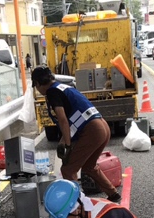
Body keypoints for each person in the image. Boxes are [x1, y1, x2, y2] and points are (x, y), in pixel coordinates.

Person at [31, 66, 123, 203]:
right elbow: (72, 119)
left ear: (38, 83)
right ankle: (113, 193)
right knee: (89, 166)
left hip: (92, 130)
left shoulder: (52, 93)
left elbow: (63, 120)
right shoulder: (63, 87)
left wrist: (68, 145)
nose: (37, 89)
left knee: (68, 170)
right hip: (102, 126)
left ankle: (78, 205)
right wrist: (63, 141)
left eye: (36, 86)